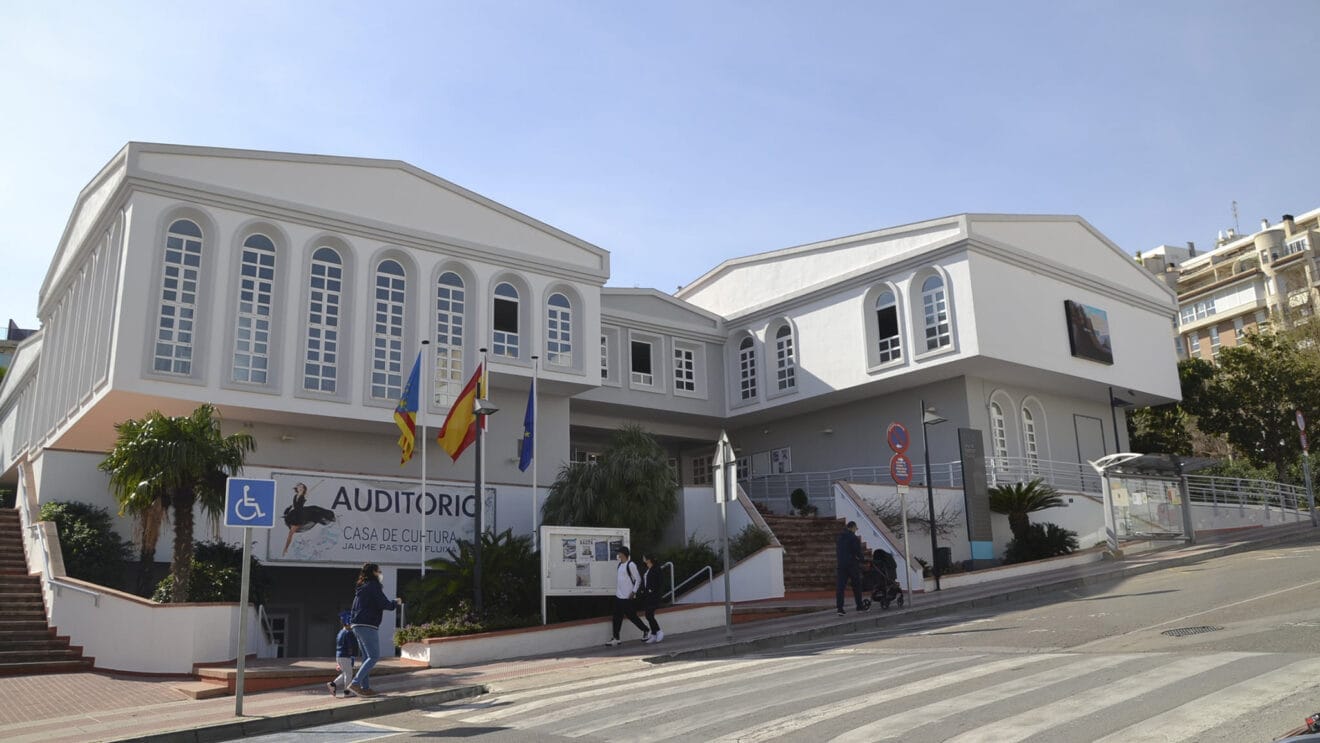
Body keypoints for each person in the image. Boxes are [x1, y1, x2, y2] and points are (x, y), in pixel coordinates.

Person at [346, 562, 403, 697]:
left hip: (357, 625)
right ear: (373, 573)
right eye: (379, 571)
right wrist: (395, 602)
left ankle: (365, 688)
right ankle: (355, 683)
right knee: (374, 656)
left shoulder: (361, 588)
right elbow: (384, 604)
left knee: (367, 657)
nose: (380, 574)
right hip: (368, 625)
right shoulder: (374, 586)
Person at [607, 546, 650, 646]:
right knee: (616, 617)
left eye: (619, 553)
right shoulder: (619, 565)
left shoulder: (631, 565)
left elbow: (638, 579)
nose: (618, 554)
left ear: (623, 554)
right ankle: (616, 638)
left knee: (632, 616)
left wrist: (634, 591)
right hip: (619, 596)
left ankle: (646, 630)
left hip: (627, 597)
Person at [836, 521, 868, 616]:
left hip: (841, 565)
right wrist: (862, 560)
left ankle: (840, 609)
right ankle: (859, 606)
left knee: (840, 587)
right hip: (852, 565)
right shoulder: (853, 538)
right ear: (853, 527)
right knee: (856, 586)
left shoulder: (840, 538)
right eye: (856, 528)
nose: (856, 530)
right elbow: (857, 551)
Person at [327, 610, 357, 697]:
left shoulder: (341, 632)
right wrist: (352, 656)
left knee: (345, 673)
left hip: (339, 656)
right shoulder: (349, 633)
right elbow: (351, 646)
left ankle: (333, 684)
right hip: (345, 656)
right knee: (349, 674)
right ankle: (347, 692)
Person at [639, 553, 664, 644]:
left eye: (645, 557)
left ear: (649, 559)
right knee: (648, 615)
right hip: (647, 596)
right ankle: (653, 634)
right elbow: (644, 582)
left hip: (654, 596)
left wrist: (653, 591)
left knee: (649, 615)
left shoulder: (656, 569)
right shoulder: (647, 570)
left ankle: (659, 631)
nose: (643, 559)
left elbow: (659, 583)